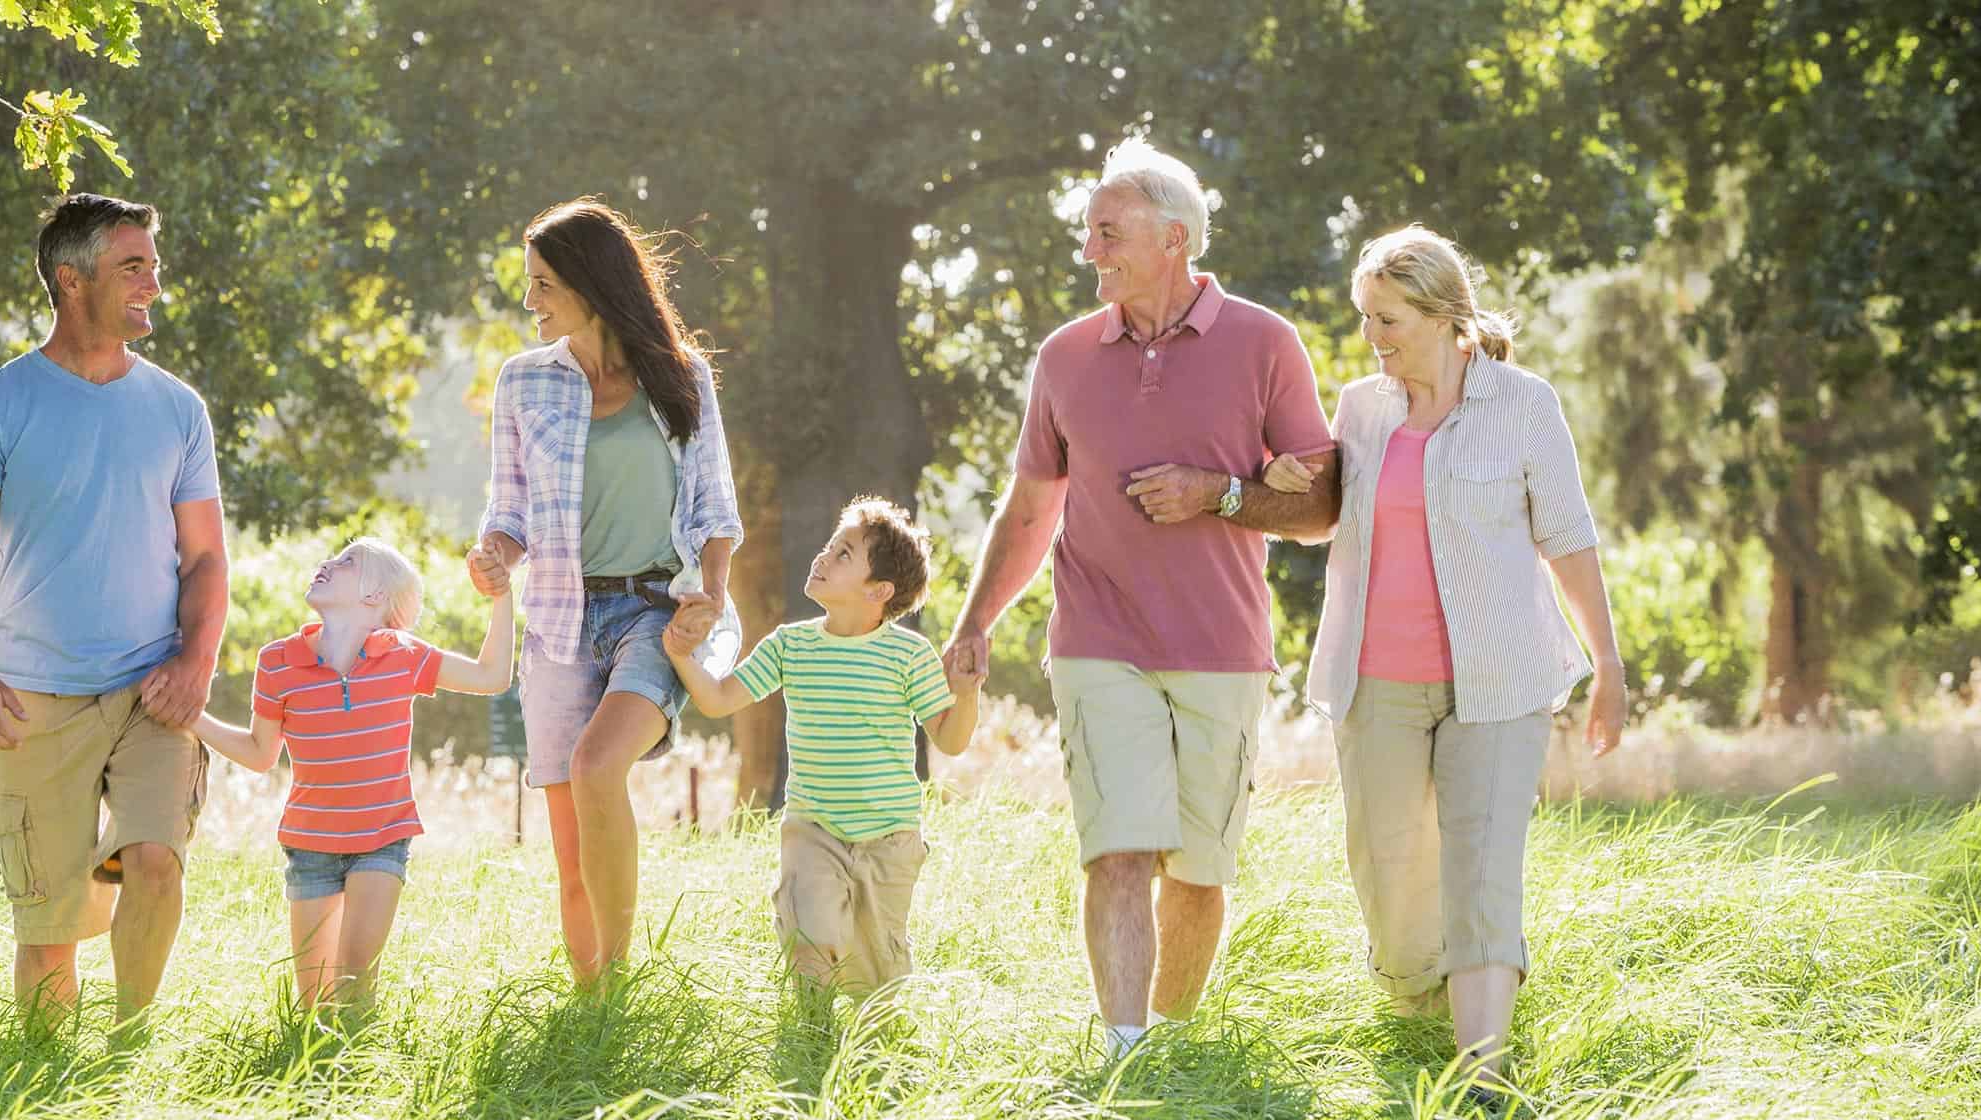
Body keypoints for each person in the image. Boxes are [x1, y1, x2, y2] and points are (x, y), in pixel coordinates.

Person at [943, 137, 1341, 1062]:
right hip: (1097, 637)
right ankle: (1123, 1051)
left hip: (1222, 645)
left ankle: (1173, 1046)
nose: (1090, 250)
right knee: (1117, 850)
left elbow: (1321, 507)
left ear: (1175, 237)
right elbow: (1034, 504)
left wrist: (1219, 493)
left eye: (1107, 231)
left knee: (1199, 873)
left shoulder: (1265, 342)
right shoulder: (1065, 356)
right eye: (1088, 231)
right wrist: (974, 622)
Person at [1265, 224, 1625, 1104]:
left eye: (1387, 319)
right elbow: (1326, 508)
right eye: (1365, 318)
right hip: (1374, 681)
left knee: (1483, 866)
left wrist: (1608, 665)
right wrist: (1284, 483)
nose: (1372, 337)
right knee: (1389, 877)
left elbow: (1568, 540)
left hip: (1498, 682)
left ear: (1443, 316)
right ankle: (1427, 1014)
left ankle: (1483, 1079)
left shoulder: (1523, 403)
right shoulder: (1362, 408)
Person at [0, 193, 226, 1035]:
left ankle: (131, 1049)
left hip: (152, 688)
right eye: (133, 267)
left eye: (153, 267)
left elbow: (205, 558)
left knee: (157, 863)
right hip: (35, 699)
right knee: (50, 933)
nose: (154, 286)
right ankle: (48, 1090)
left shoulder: (177, 409)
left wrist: (196, 661)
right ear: (71, 279)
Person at [466, 197, 744, 986]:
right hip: (558, 618)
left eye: (543, 284)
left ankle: (620, 981)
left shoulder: (680, 375)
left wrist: (711, 596)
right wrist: (493, 554)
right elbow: (509, 509)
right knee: (568, 847)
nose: (530, 303)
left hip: (656, 611)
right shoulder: (523, 383)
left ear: (589, 281)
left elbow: (716, 508)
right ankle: (593, 1008)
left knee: (596, 769)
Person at [663, 497, 982, 999]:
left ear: (878, 591)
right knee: (809, 937)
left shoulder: (908, 655)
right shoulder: (790, 646)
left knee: (875, 981)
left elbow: (951, 738)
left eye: (843, 554)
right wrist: (682, 657)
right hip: (813, 829)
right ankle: (808, 1041)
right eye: (830, 546)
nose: (823, 557)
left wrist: (966, 693)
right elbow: (721, 699)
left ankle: (871, 1060)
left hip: (889, 838)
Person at [188, 538, 515, 1017]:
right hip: (310, 845)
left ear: (374, 599)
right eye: (332, 558)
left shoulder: (403, 656)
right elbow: (260, 754)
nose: (326, 563)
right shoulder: (279, 662)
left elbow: (491, 677)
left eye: (347, 562)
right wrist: (192, 717)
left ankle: (360, 1077)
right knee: (313, 1006)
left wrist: (502, 598)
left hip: (382, 837)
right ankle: (318, 1083)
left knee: (356, 978)